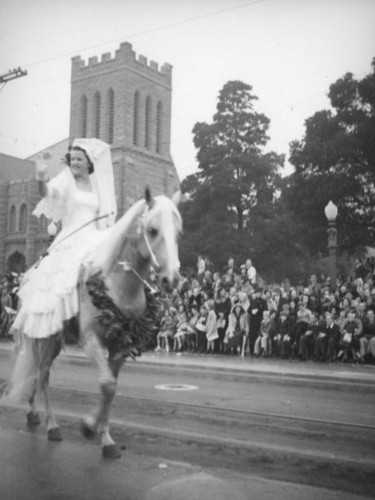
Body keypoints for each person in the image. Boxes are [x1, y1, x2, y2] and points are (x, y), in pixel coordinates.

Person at [11, 138, 117, 342]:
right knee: (63, 281)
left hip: (94, 234)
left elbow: (104, 212)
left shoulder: (97, 185)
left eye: (79, 159)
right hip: (72, 236)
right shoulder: (67, 179)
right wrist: (41, 176)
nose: (75, 162)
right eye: (72, 159)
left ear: (89, 162)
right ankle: (66, 322)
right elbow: (48, 193)